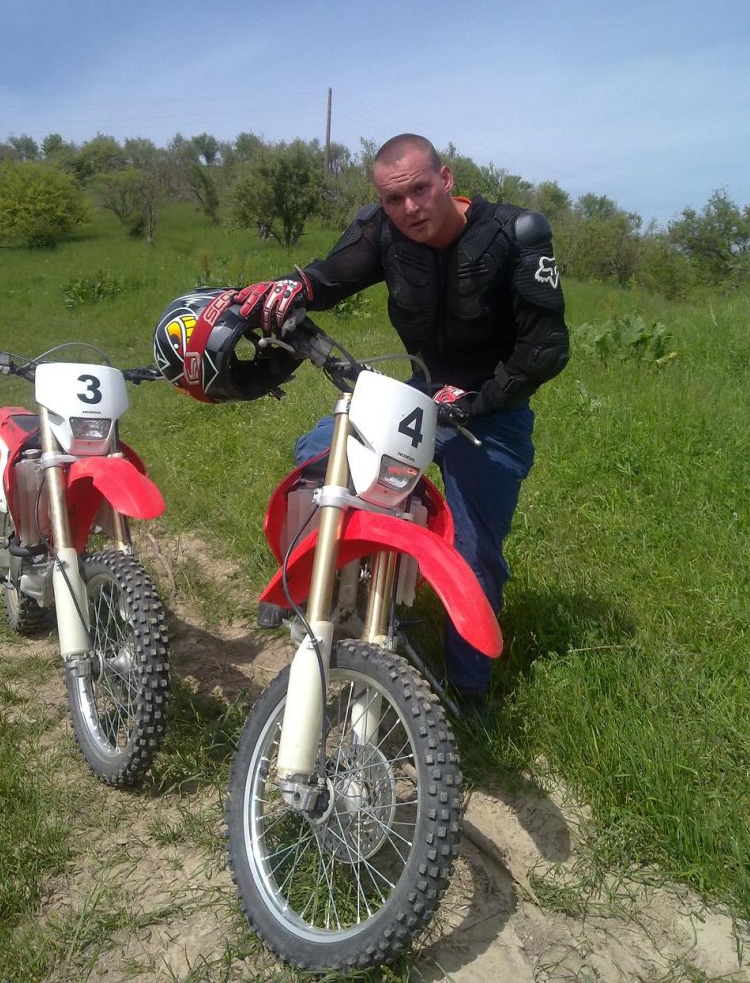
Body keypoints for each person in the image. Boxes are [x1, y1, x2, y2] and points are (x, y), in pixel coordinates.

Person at [236, 133, 570, 712]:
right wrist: (293, 288)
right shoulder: (384, 231)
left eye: (420, 189)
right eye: (395, 198)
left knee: (475, 551)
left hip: (493, 409)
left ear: (447, 178)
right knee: (318, 457)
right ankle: (314, 590)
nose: (410, 208)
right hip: (420, 392)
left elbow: (546, 347)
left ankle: (468, 689)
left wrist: (481, 400)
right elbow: (335, 273)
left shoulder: (513, 235)